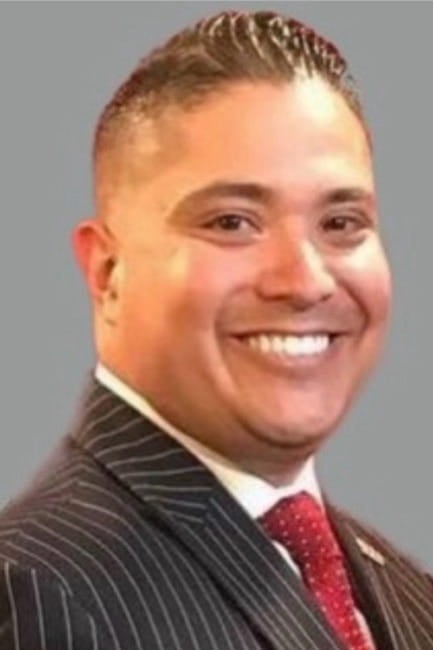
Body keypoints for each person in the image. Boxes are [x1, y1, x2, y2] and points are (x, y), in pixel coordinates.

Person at [0, 8, 431, 649]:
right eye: (232, 222)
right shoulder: (39, 594)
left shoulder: (409, 594)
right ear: (108, 273)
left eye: (341, 223)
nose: (305, 280)